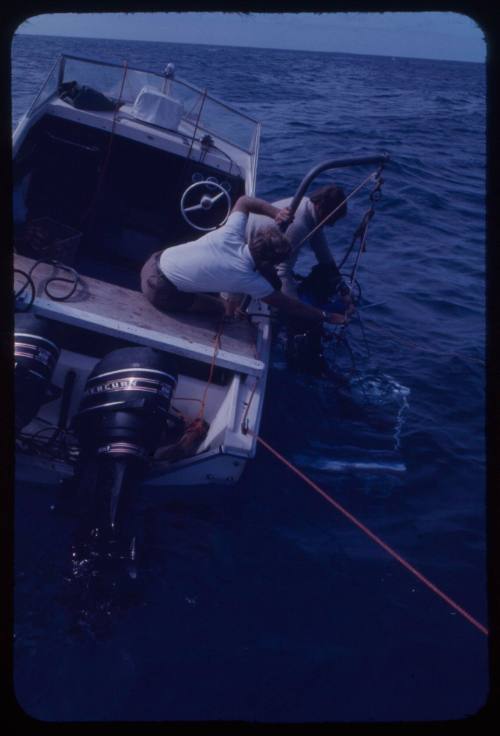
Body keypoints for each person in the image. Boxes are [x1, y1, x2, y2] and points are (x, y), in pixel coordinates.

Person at [140, 195, 347, 329]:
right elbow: (292, 306)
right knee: (221, 308)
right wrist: (327, 316)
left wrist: (276, 212)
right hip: (158, 290)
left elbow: (244, 201)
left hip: (151, 261)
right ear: (266, 263)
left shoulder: (232, 232)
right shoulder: (248, 280)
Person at [246, 184, 349, 299]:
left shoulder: (308, 207)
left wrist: (340, 284)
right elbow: (282, 271)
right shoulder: (299, 225)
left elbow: (323, 253)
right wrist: (296, 306)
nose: (332, 224)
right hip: (247, 253)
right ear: (321, 208)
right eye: (332, 219)